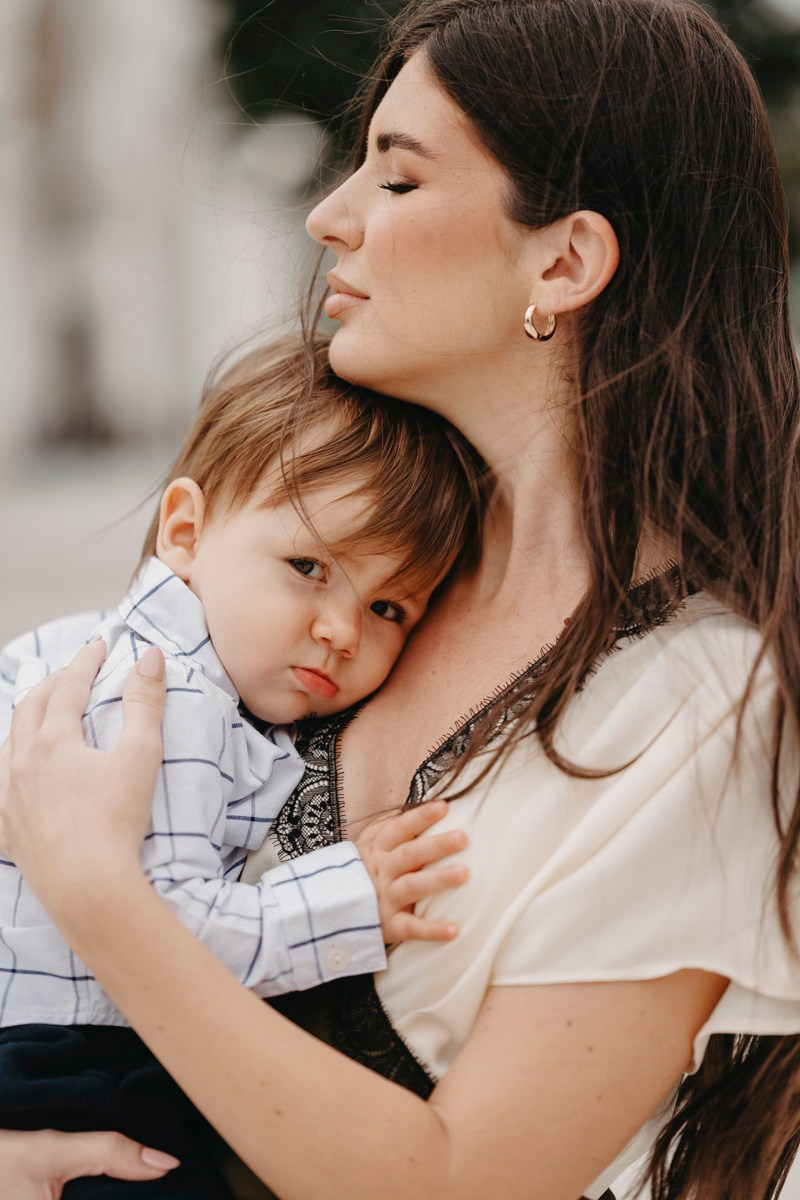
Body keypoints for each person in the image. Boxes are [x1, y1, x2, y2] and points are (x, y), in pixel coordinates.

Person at [1, 0, 800, 1197]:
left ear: (565, 260)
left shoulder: (701, 700)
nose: (331, 216)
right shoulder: (360, 557)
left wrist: (101, 893)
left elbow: (460, 1181)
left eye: (396, 177)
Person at [0, 334, 478, 1196]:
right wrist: (353, 898)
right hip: (74, 1073)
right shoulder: (168, 698)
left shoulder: (87, 648)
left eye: (388, 606)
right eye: (307, 567)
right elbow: (166, 940)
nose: (342, 629)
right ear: (186, 530)